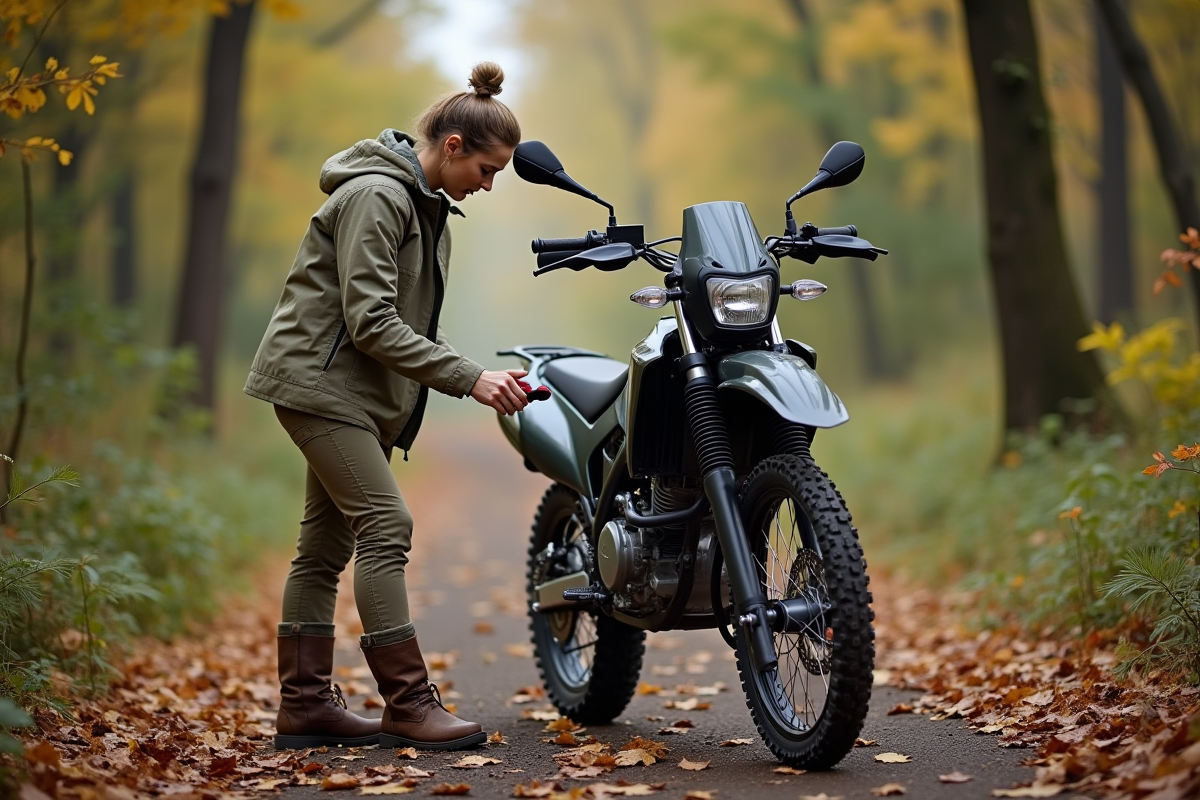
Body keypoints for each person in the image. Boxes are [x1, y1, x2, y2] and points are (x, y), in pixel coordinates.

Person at [244, 62, 530, 751]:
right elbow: (370, 321)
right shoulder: (378, 195)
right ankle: (407, 703)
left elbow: (410, 325)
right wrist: (469, 379)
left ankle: (305, 707)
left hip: (350, 391)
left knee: (323, 549)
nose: (488, 186)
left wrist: (478, 373)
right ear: (452, 146)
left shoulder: (426, 209)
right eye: (487, 170)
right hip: (319, 384)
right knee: (385, 524)